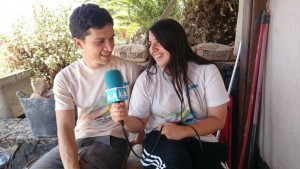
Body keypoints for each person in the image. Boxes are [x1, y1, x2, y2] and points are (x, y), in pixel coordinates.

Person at [30, 3, 140, 169]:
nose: (109, 47)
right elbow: (65, 128)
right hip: (79, 138)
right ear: (78, 43)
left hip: (113, 138)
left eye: (111, 38)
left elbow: (142, 116)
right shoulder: (65, 78)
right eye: (100, 41)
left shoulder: (130, 69)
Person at [110, 19, 230, 169]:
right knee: (176, 163)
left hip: (201, 140)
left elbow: (218, 120)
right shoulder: (147, 80)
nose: (152, 49)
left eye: (158, 41)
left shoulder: (207, 71)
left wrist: (183, 131)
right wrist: (125, 119)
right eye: (150, 43)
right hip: (160, 140)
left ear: (174, 40)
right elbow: (139, 124)